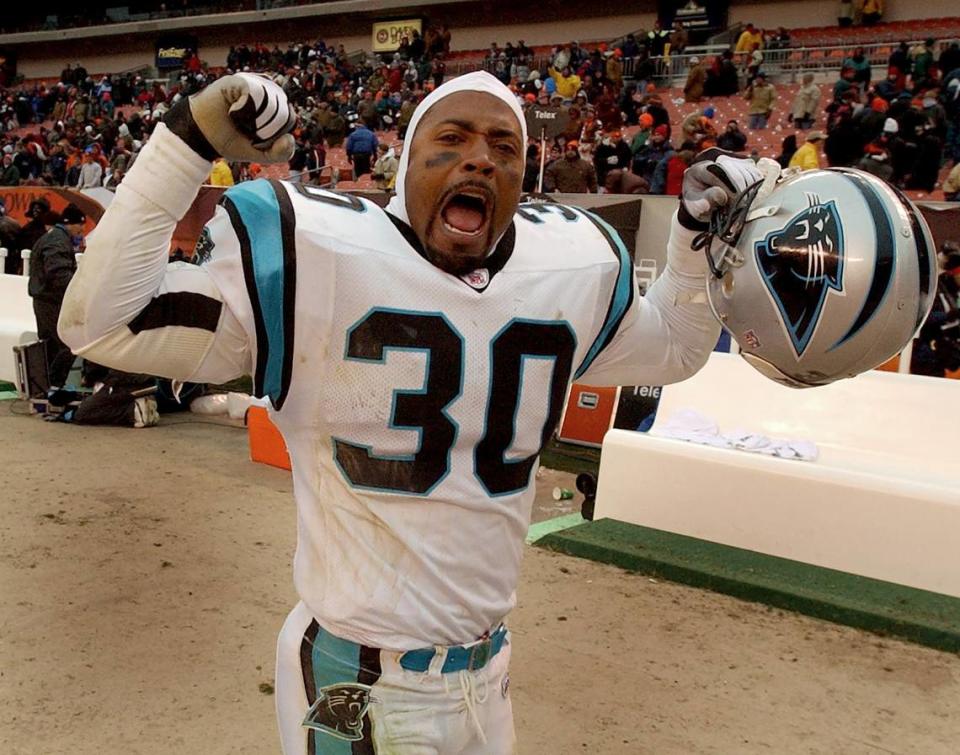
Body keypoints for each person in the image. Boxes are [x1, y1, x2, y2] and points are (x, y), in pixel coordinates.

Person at [58, 71, 757, 754]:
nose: (480, 157)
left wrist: (690, 242)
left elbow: (672, 347)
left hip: (488, 677)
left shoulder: (567, 267)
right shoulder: (318, 255)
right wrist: (185, 140)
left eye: (503, 147)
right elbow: (100, 322)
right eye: (451, 139)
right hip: (360, 675)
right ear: (406, 166)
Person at [31, 203, 85, 390]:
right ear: (70, 223)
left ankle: (46, 387)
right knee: (68, 344)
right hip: (52, 301)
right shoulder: (58, 241)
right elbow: (58, 274)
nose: (82, 229)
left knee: (50, 347)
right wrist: (77, 292)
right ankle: (54, 385)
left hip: (44, 300)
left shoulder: (54, 238)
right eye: (80, 224)